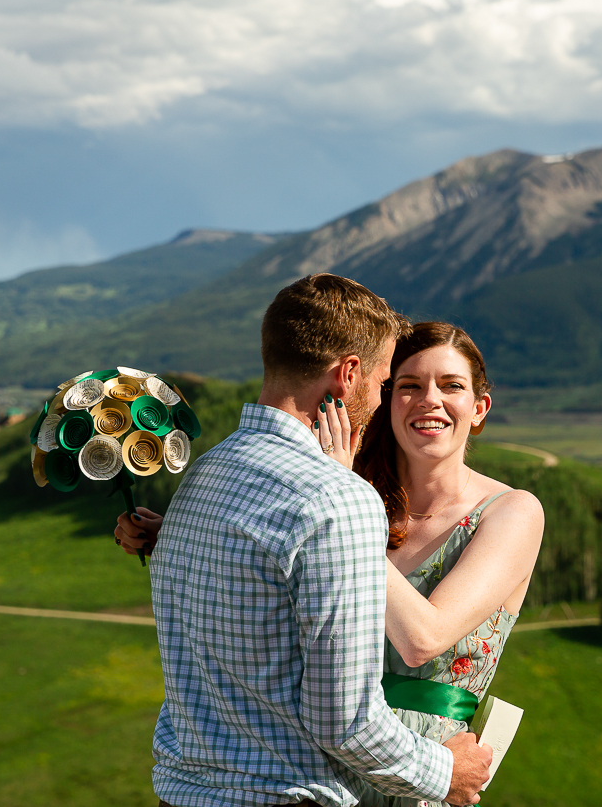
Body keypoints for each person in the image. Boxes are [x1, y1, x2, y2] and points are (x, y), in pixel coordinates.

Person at [114, 274, 492, 807]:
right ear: (349, 374)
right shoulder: (337, 500)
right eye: (387, 381)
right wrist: (444, 773)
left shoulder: (203, 476)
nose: (382, 397)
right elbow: (344, 720)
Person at [312, 321, 544, 807]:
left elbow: (422, 640)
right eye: (410, 386)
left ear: (479, 408)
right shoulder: (356, 498)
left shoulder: (512, 512)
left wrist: (340, 507)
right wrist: (172, 530)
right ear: (387, 400)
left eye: (451, 386)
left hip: (429, 769)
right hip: (320, 758)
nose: (429, 400)